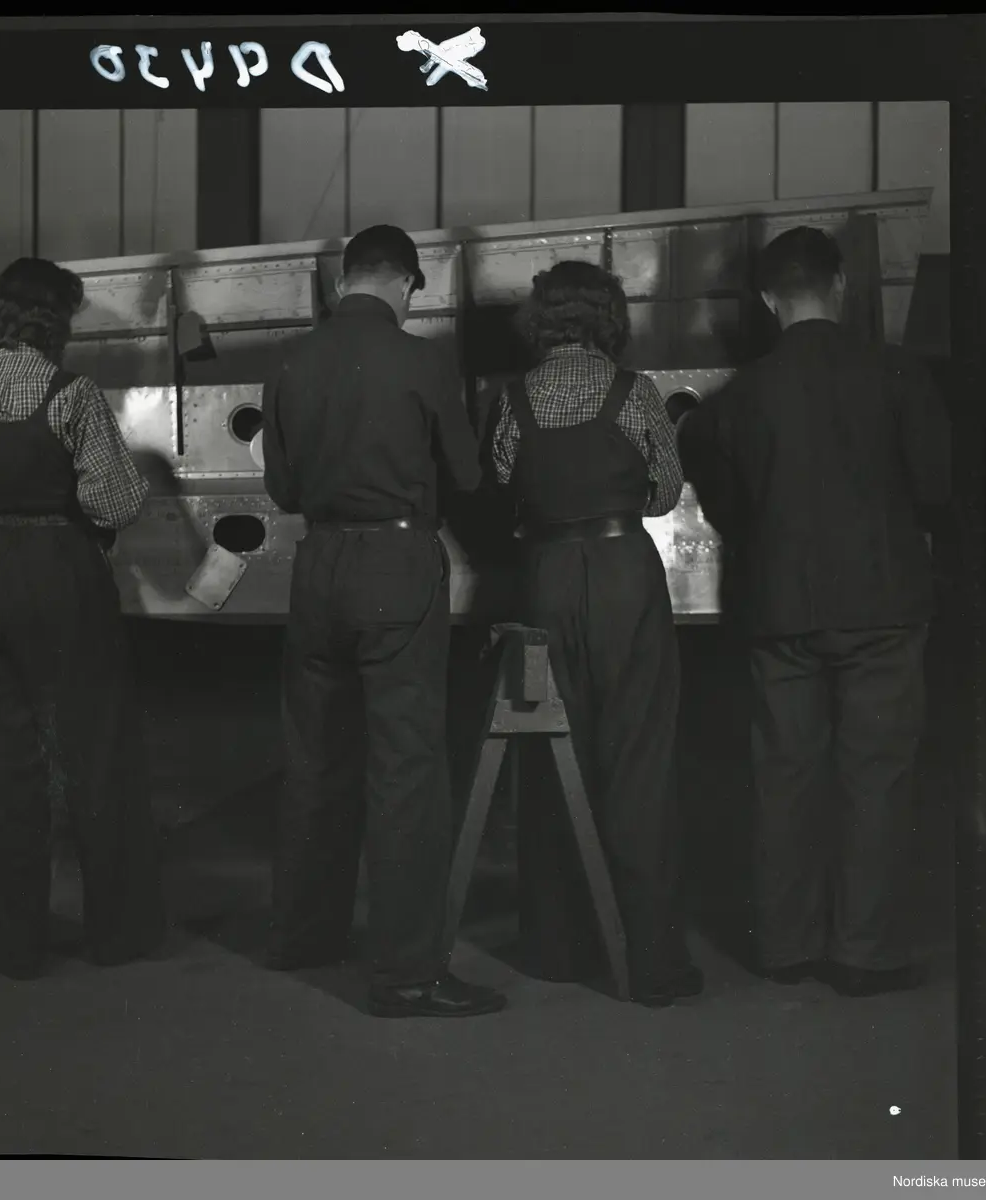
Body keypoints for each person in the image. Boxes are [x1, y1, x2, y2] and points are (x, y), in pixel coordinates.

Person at [678, 226, 952, 997]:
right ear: (840, 285)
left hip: (780, 609)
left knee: (784, 774)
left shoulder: (738, 399)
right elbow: (938, 486)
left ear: (769, 299)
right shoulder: (898, 372)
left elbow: (726, 509)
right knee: (877, 776)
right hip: (884, 604)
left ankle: (785, 946)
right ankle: (863, 952)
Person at [261, 225, 506, 1019]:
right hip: (396, 565)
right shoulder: (423, 360)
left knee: (315, 754)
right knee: (406, 767)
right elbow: (466, 473)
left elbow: (284, 490)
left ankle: (304, 936)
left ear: (342, 283)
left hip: (319, 566)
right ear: (406, 283)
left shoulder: (288, 360)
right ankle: (406, 974)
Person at [0, 257, 166, 980]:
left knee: (2, 762)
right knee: (97, 752)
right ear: (51, 319)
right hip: (64, 575)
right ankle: (118, 935)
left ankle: (10, 944)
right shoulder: (73, 394)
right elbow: (114, 502)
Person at [491, 260, 701, 1008]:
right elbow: (666, 491)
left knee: (553, 755)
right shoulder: (634, 391)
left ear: (542, 319)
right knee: (639, 757)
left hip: (545, 577)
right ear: (609, 316)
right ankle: (651, 960)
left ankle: (557, 947)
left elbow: (505, 482)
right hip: (623, 575)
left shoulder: (512, 397)